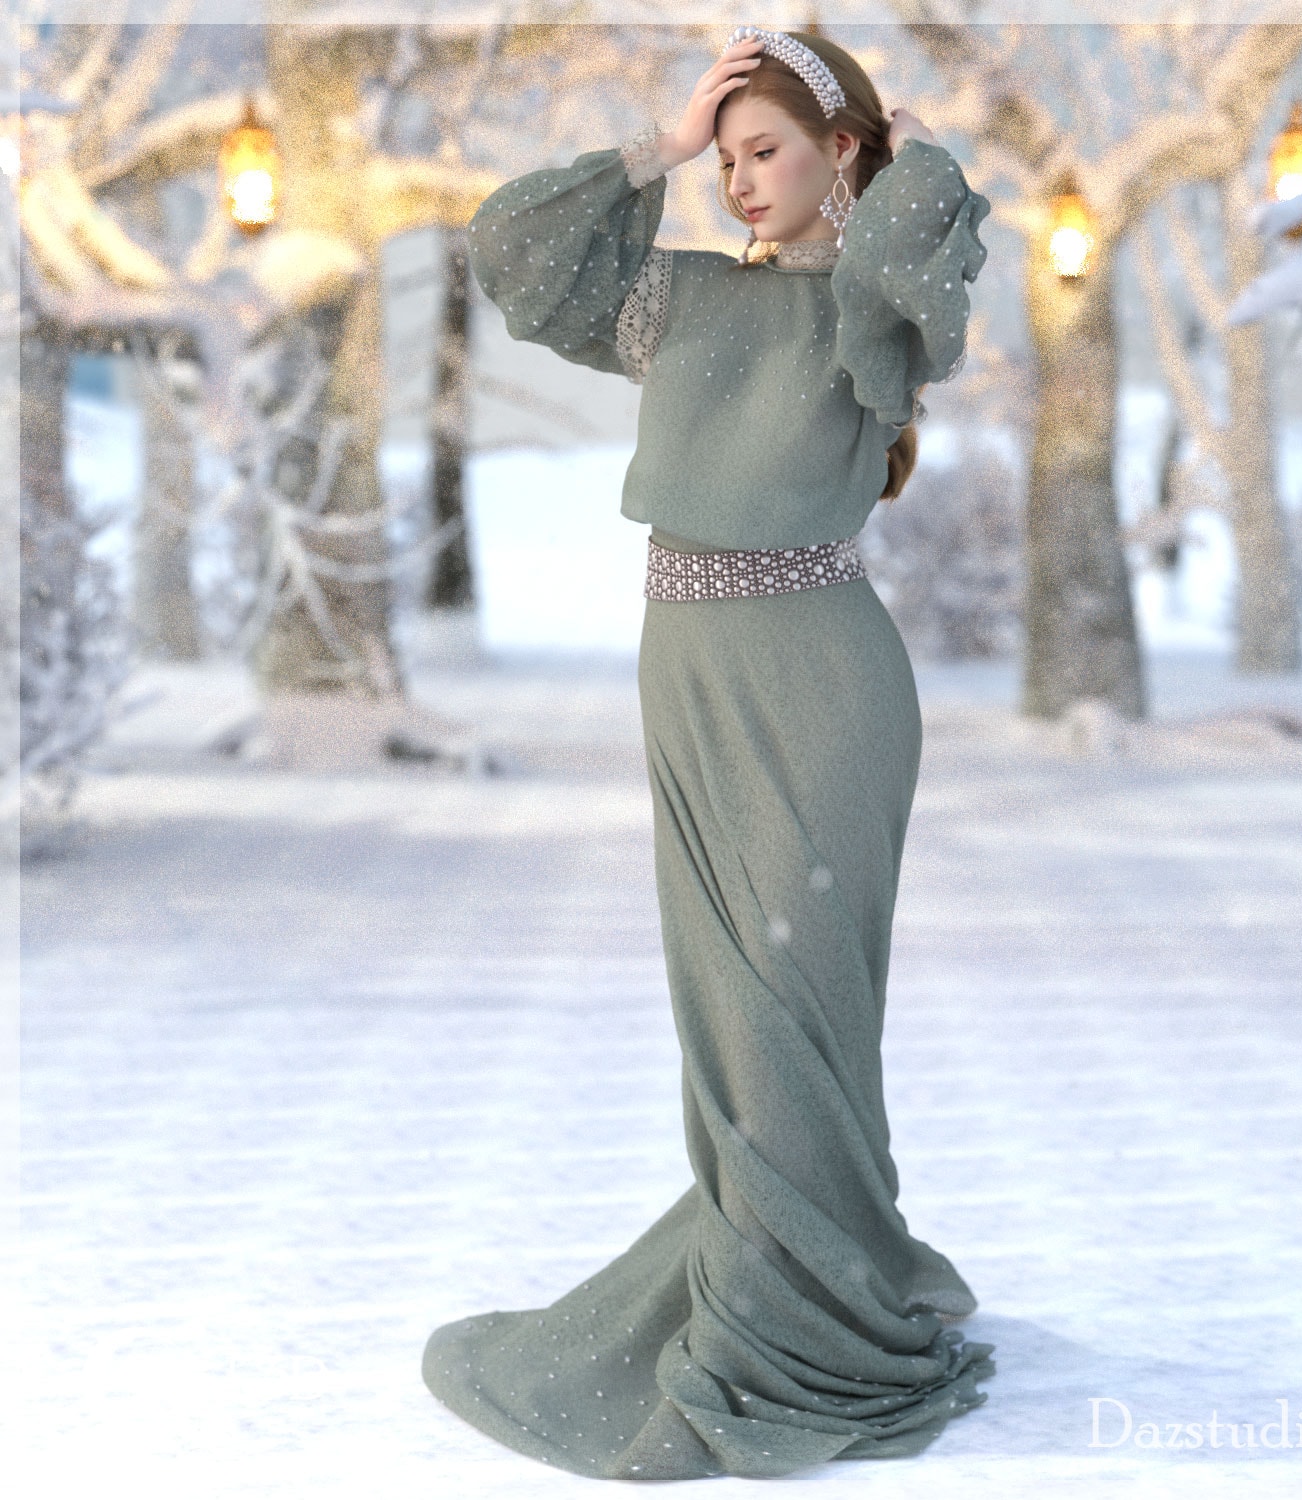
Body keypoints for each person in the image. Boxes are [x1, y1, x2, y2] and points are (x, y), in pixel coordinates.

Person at [422, 26, 994, 1481]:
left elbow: (920, 287)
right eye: (730, 157)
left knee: (792, 1008)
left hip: (821, 681)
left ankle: (803, 1324)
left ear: (839, 153)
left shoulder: (869, 304)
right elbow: (513, 250)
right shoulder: (672, 304)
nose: (741, 180)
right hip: (685, 672)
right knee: (725, 1015)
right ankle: (799, 1260)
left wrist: (903, 155)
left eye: (769, 149)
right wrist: (661, 146)